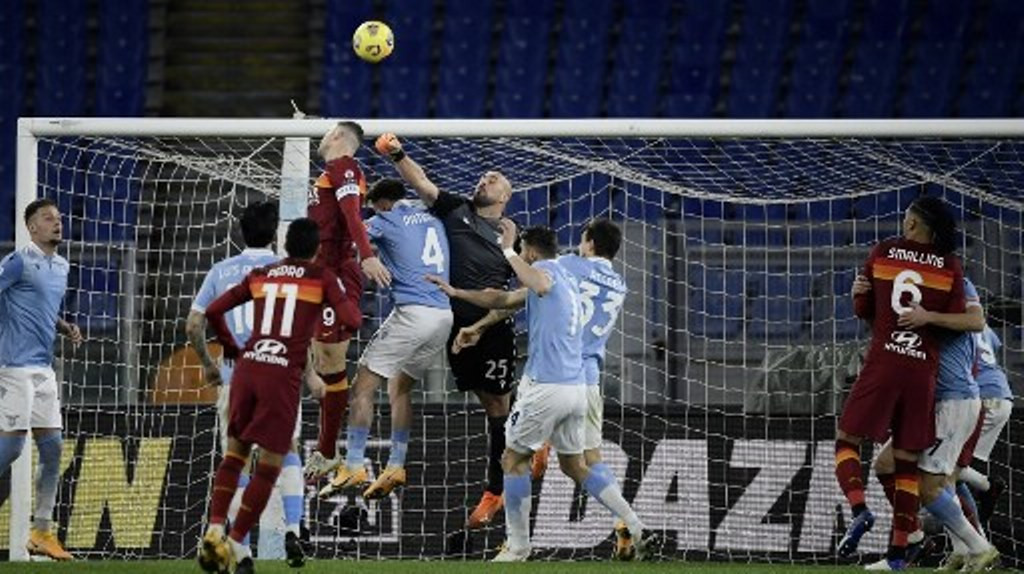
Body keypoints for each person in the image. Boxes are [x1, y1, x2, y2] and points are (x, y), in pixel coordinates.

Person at [432, 223, 655, 562]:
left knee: (513, 459)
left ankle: (518, 546)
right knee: (578, 464)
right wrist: (461, 298)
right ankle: (633, 525)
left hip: (550, 378)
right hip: (583, 382)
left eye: (582, 240)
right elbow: (507, 298)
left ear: (589, 244)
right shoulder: (614, 282)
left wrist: (509, 249)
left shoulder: (563, 267)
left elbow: (534, 283)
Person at [197, 218, 361, 574]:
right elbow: (352, 320)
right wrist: (344, 296)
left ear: (285, 245)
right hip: (280, 375)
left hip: (246, 369)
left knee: (235, 456)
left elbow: (212, 311)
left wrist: (230, 346)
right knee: (272, 465)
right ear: (317, 248)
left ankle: (216, 527)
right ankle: (237, 538)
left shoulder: (262, 274)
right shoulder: (321, 277)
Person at [375, 132, 517, 528]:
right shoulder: (456, 209)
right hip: (454, 324)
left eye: (493, 178)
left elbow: (524, 290)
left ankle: (495, 489)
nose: (484, 180)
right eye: (482, 177)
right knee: (487, 404)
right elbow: (421, 182)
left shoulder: (513, 234)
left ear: (506, 195)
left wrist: (488, 319)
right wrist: (397, 154)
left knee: (499, 406)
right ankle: (524, 442)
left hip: (491, 327)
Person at [833, 196, 966, 570]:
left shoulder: (884, 252)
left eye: (906, 218)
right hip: (922, 372)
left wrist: (858, 294)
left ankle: (859, 510)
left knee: (847, 440)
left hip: (884, 363)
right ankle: (897, 554)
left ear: (912, 224)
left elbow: (865, 311)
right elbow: (955, 325)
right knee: (906, 462)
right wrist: (927, 320)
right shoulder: (950, 267)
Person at [186, 201, 313, 567]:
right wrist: (309, 374)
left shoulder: (221, 270)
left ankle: (241, 551)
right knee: (287, 450)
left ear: (241, 232)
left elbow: (193, 325)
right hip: (279, 375)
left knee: (237, 461)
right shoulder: (287, 271)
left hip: (235, 378)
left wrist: (209, 366)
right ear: (275, 235)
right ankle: (294, 529)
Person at [318, 179, 453, 500]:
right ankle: (395, 465)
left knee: (361, 388)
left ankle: (354, 464)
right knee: (400, 388)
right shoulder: (431, 214)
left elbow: (349, 237)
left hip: (413, 313)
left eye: (375, 208)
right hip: (443, 315)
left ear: (382, 204)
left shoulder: (385, 219)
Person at [865, 277, 998, 572]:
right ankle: (919, 538)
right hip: (932, 403)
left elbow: (976, 322)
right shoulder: (909, 290)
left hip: (954, 401)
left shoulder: (953, 284)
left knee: (931, 486)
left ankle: (979, 547)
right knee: (887, 464)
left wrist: (927, 317)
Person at [0, 198, 82, 561]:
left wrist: (64, 326)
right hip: (14, 367)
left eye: (59, 218)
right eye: (48, 219)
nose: (57, 223)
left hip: (44, 369)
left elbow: (43, 308)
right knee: (12, 449)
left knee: (53, 449)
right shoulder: (17, 261)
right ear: (32, 227)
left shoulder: (62, 266)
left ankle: (42, 532)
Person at [304, 121, 385, 482]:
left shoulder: (345, 167)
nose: (321, 136)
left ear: (337, 135)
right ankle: (326, 449)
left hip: (336, 273)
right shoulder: (330, 173)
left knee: (331, 363)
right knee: (321, 362)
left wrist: (366, 255)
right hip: (319, 274)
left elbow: (352, 214)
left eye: (326, 131)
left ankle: (327, 451)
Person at [961, 324, 1013, 524]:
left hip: (983, 400)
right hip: (1002, 397)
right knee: (955, 468)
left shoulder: (952, 324)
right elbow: (994, 347)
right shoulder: (982, 326)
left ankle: (987, 486)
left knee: (943, 466)